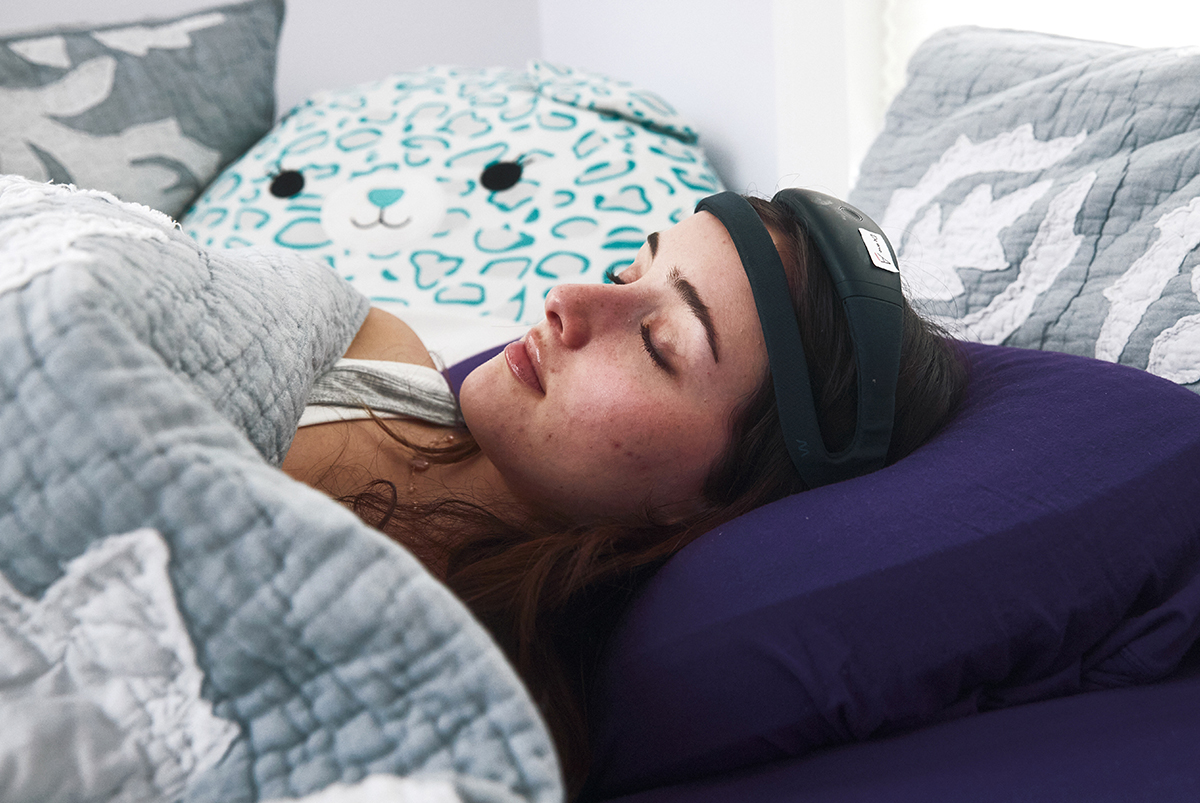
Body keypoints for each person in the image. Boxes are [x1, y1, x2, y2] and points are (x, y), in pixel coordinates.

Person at [281, 191, 969, 797]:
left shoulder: (458, 714)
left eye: (654, 342)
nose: (566, 298)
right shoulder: (367, 343)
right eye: (627, 270)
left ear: (718, 507)